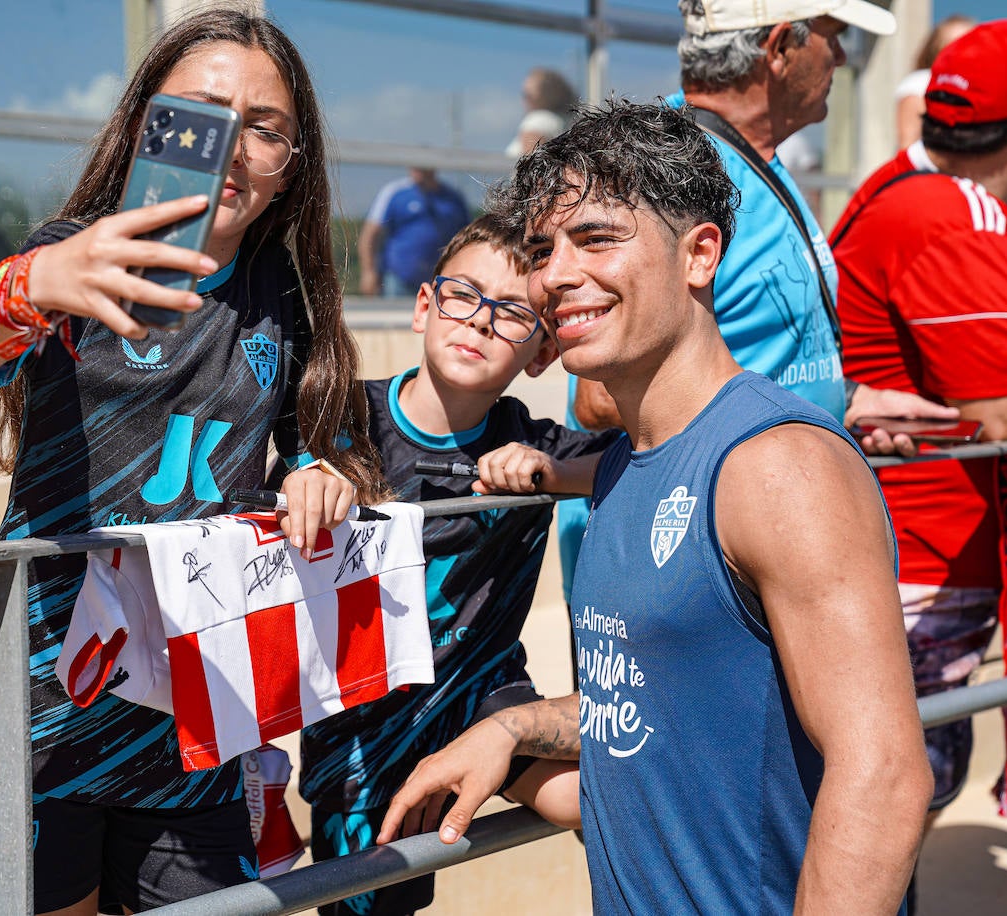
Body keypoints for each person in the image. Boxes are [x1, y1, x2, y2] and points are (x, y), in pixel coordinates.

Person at [378, 98, 932, 915]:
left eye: (598, 238)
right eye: (544, 249)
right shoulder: (619, 466)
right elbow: (661, 701)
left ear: (699, 255)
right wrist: (511, 729)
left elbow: (882, 775)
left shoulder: (777, 465)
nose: (556, 275)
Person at [0, 10, 387, 914]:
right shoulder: (75, 248)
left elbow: (311, 438)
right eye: (201, 117)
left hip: (195, 717)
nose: (232, 149)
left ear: (292, 164)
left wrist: (318, 473)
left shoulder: (280, 292)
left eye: (266, 129)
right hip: (37, 707)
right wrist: (32, 286)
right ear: (147, 124)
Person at [298, 215, 617, 916]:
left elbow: (640, 458)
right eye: (463, 296)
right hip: (362, 730)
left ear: (541, 352)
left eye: (513, 314)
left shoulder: (529, 441)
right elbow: (278, 499)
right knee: (368, 905)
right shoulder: (346, 419)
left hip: (480, 696)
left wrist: (552, 475)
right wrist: (312, 480)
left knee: (589, 797)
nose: (479, 321)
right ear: (424, 305)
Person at [830, 18, 1007, 826]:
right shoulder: (948, 217)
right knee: (893, 799)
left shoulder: (961, 200)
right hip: (916, 561)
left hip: (940, 553)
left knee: (904, 789)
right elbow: (1004, 410)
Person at [569, 0, 955, 454]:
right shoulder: (662, 167)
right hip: (704, 495)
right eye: (833, 37)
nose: (840, 57)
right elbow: (599, 400)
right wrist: (782, 430)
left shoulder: (749, 153)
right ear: (780, 48)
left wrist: (844, 402)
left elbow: (757, 352)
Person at [358, 168, 469, 297]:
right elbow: (370, 235)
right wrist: (368, 272)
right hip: (399, 280)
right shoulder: (395, 192)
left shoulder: (453, 198)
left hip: (441, 281)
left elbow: (467, 238)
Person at [894, 14, 976, 149]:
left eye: (970, 42)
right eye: (954, 43)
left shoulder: (979, 89)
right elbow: (907, 144)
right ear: (936, 48)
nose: (962, 50)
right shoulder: (920, 83)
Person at [505, 67, 578, 157]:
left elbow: (531, 161)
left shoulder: (537, 120)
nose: (524, 100)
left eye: (528, 95)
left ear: (547, 95)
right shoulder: (566, 121)